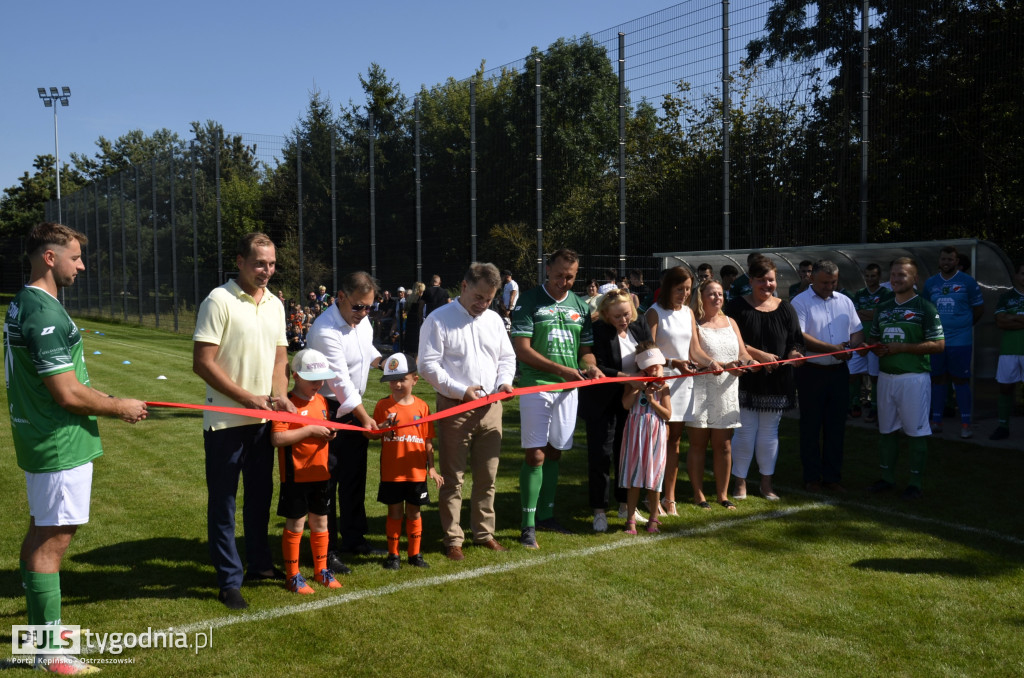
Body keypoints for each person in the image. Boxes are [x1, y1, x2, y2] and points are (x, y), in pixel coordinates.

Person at [6, 222, 148, 674]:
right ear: (50, 257)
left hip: (41, 438)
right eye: (76, 257)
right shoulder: (43, 312)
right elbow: (65, 392)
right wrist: (118, 406)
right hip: (57, 441)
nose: (82, 266)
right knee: (52, 542)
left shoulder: (27, 302)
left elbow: (66, 380)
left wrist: (105, 398)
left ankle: (38, 638)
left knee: (40, 534)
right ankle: (48, 652)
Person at [193, 232, 295, 611]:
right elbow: (202, 362)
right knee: (224, 503)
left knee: (259, 498)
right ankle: (228, 580)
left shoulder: (275, 305)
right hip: (225, 423)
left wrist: (279, 393)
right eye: (259, 263)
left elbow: (279, 359)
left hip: (263, 421)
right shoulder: (218, 300)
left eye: (271, 264)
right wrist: (248, 398)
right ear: (240, 261)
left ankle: (259, 564)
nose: (266, 271)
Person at [419, 263, 517, 560]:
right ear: (463, 286)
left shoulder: (494, 320)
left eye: (489, 299)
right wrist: (461, 391)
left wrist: (504, 382)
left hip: (491, 408)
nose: (483, 304)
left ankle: (484, 533)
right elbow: (427, 365)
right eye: (478, 296)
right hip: (455, 408)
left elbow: (507, 357)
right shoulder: (438, 320)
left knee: (488, 477)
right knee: (453, 478)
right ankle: (453, 539)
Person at [510, 248, 601, 549]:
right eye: (560, 275)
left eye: (571, 277)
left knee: (555, 452)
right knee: (535, 454)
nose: (565, 281)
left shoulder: (581, 306)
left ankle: (547, 515)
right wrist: (562, 370)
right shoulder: (528, 300)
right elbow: (522, 350)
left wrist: (591, 367)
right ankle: (527, 525)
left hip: (568, 390)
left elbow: (585, 351)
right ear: (547, 269)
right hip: (536, 386)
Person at [305, 271, 386, 576]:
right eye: (358, 307)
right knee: (328, 481)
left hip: (352, 409)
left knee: (354, 479)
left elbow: (367, 352)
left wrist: (387, 363)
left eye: (369, 307)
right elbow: (339, 382)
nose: (364, 314)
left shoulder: (361, 321)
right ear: (340, 297)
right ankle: (328, 550)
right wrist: (366, 419)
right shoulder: (325, 330)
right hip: (328, 409)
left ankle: (355, 540)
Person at [725, 255, 804, 501]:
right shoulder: (737, 306)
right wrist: (758, 355)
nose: (767, 285)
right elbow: (730, 341)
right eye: (761, 280)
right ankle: (740, 483)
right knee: (746, 431)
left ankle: (766, 484)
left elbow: (796, 340)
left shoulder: (786, 307)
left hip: (778, 381)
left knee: (769, 432)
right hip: (748, 378)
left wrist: (793, 354)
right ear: (751, 280)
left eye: (770, 280)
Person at [867, 258, 945, 499]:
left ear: (915, 279)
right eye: (892, 275)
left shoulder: (925, 307)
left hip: (914, 378)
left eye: (902, 275)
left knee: (916, 432)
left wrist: (903, 348)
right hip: (886, 377)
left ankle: (915, 482)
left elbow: (939, 345)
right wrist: (876, 348)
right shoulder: (883, 307)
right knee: (886, 431)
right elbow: (874, 340)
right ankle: (887, 478)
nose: (896, 279)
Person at [644, 266, 718, 517]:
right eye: (680, 289)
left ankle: (670, 498)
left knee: (675, 442)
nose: (685, 294)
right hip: (661, 383)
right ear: (667, 288)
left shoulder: (688, 313)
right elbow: (647, 351)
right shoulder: (654, 312)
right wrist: (672, 362)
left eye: (688, 289)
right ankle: (649, 495)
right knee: (659, 441)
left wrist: (711, 363)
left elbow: (695, 350)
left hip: (684, 384)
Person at [269, 349, 344, 594]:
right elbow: (278, 438)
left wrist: (329, 433)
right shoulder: (286, 403)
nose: (319, 384)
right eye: (313, 380)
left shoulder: (322, 401)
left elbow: (321, 430)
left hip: (320, 473)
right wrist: (310, 430)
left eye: (322, 379)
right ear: (295, 376)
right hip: (296, 476)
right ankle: (293, 575)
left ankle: (321, 570)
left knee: (321, 522)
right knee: (296, 524)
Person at [790, 259, 864, 492]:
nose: (829, 286)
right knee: (810, 426)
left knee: (836, 427)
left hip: (839, 372)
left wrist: (851, 347)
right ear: (812, 278)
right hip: (811, 373)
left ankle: (832, 477)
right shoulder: (799, 302)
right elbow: (799, 336)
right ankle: (812, 477)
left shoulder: (845, 301)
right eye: (824, 282)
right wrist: (833, 349)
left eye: (833, 282)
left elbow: (858, 332)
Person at [582, 289, 652, 532]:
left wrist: (656, 370)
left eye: (626, 314)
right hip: (602, 401)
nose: (623, 320)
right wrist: (629, 378)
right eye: (617, 317)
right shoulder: (599, 331)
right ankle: (599, 510)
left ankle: (625, 505)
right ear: (605, 315)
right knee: (601, 455)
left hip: (631, 401)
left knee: (627, 454)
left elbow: (650, 353)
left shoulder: (637, 327)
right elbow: (599, 367)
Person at [368, 353, 442, 570]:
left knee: (414, 512)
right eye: (393, 380)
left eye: (403, 379)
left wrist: (432, 468)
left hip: (416, 472)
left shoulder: (423, 407)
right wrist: (380, 430)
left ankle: (415, 554)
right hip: (392, 472)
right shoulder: (383, 406)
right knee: (394, 512)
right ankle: (393, 555)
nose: (397, 384)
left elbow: (428, 441)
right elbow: (370, 435)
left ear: (415, 380)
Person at [687, 279, 756, 510]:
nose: (717, 298)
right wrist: (714, 364)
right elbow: (693, 354)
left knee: (724, 445)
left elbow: (742, 352)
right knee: (698, 444)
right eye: (712, 294)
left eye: (720, 294)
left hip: (727, 389)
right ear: (701, 297)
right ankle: (699, 495)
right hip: (701, 387)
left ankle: (722, 495)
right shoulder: (693, 322)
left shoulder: (731, 322)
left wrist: (750, 362)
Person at [923, 245, 984, 438]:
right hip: (937, 340)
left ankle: (966, 424)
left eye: (950, 259)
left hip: (960, 341)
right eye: (943, 259)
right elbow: (925, 308)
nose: (946, 262)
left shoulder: (968, 282)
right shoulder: (931, 283)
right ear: (939, 261)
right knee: (937, 379)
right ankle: (937, 421)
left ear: (957, 262)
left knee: (961, 380)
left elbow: (978, 309)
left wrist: (963, 325)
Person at [619, 343, 672, 535]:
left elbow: (667, 415)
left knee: (654, 475)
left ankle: (653, 519)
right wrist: (636, 387)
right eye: (648, 366)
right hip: (635, 431)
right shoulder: (632, 382)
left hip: (654, 432)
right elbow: (626, 405)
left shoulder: (663, 386)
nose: (653, 369)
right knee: (633, 475)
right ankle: (630, 519)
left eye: (656, 365)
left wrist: (651, 400)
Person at [847, 264, 893, 422]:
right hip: (859, 341)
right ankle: (854, 404)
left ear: (879, 277)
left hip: (876, 340)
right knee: (852, 374)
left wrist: (869, 313)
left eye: (873, 276)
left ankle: (875, 408)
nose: (869, 279)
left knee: (875, 376)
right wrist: (872, 312)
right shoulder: (860, 293)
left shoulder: (886, 293)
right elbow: (855, 315)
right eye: (867, 276)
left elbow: (881, 314)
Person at [991, 261, 1024, 440]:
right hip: (1009, 350)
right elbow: (1000, 321)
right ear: (1017, 276)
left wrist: (1013, 318)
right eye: (1023, 273)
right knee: (1005, 388)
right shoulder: (1006, 297)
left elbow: (1006, 319)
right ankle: (1003, 426)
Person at [404, 282, 427, 355]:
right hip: (417, 323)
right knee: (417, 345)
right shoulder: (421, 299)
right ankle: (416, 363)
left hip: (410, 322)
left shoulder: (409, 298)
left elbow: (405, 310)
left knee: (410, 344)